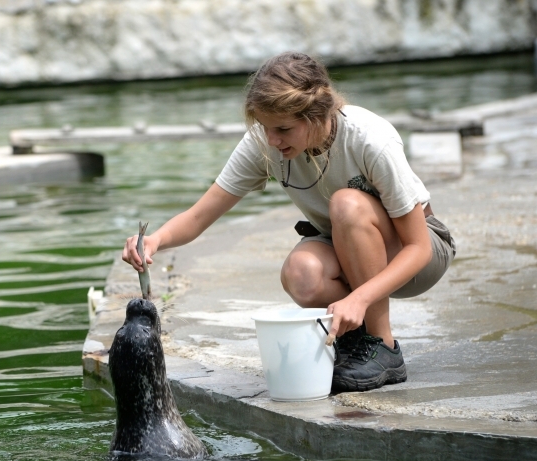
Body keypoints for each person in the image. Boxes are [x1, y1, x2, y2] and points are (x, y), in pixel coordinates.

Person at [121, 51, 456, 393]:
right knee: (302, 275)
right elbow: (199, 215)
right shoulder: (266, 144)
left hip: (419, 253)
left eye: (283, 129)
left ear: (318, 115)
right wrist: (155, 240)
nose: (272, 140)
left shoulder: (369, 139)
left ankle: (382, 345)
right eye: (265, 128)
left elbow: (418, 248)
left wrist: (361, 299)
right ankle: (356, 343)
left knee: (347, 203)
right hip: (347, 248)